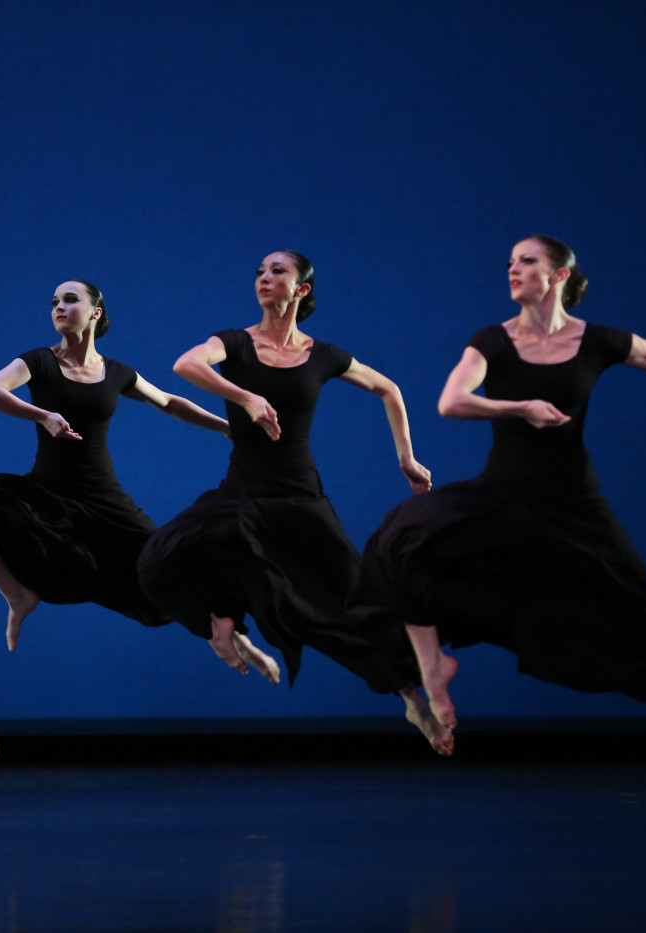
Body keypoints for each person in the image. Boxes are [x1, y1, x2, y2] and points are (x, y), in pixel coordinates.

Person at [351, 234, 646, 785]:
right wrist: (521, 406)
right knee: (404, 538)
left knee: (634, 607)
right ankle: (431, 668)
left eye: (527, 261)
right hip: (505, 493)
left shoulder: (598, 340)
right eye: (509, 261)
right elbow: (451, 400)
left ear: (558, 276)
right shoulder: (494, 341)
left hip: (573, 501)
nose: (513, 269)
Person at [136, 250, 451, 754]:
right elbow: (186, 363)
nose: (264, 278)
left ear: (301, 289)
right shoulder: (235, 343)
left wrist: (407, 460)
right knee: (165, 554)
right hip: (242, 491)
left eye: (277, 271)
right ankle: (222, 624)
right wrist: (245, 398)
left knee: (352, 599)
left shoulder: (322, 355)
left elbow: (388, 389)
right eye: (259, 271)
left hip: (301, 495)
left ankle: (411, 695)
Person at [0, 280, 230, 652]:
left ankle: (226, 639)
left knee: (161, 580)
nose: (59, 307)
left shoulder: (117, 372)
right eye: (54, 302)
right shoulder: (39, 361)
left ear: (95, 312)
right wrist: (44, 415)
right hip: (46, 493)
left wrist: (228, 427)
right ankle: (16, 595)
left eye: (70, 300)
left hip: (104, 498)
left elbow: (169, 402)